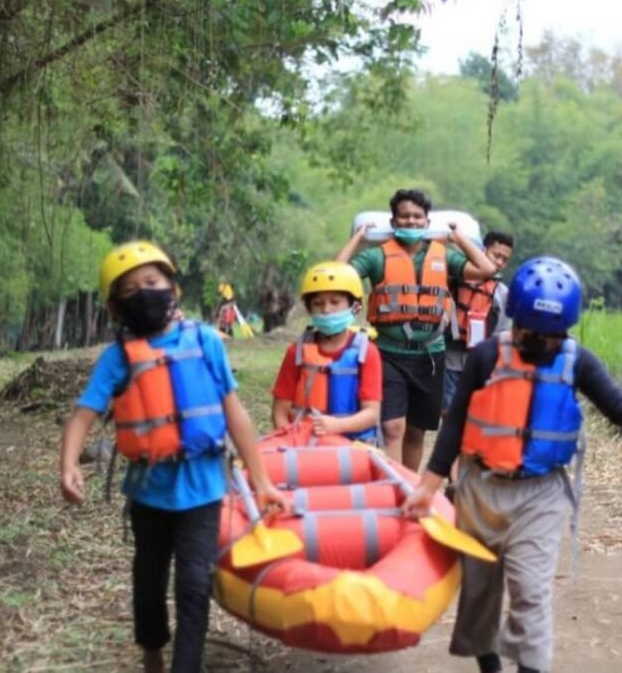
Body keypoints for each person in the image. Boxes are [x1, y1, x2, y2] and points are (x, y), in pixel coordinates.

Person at [401, 256, 622, 673]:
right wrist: (428, 486)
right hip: (480, 487)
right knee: (480, 589)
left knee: (531, 591)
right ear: (515, 320)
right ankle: (489, 665)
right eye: (531, 333)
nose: (541, 343)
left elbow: (618, 411)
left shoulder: (579, 361)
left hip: (540, 494)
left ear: (566, 329)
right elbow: (454, 429)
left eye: (551, 336)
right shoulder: (486, 357)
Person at [58, 241, 287, 673]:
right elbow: (82, 416)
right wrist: (68, 466)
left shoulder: (205, 342)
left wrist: (264, 481)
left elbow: (235, 415)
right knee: (148, 582)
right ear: (114, 309)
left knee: (194, 584)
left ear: (172, 289)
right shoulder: (118, 359)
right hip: (148, 494)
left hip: (203, 491)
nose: (144, 292)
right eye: (129, 290)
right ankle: (151, 651)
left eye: (152, 282)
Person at [335, 189, 496, 471]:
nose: (410, 221)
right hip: (388, 354)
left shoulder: (442, 255)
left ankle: (409, 485)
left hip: (431, 355)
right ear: (394, 221)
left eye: (417, 217)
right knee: (392, 425)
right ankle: (393, 484)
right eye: (404, 216)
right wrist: (356, 239)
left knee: (416, 430)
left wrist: (457, 239)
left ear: (426, 221)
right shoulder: (376, 256)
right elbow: (336, 273)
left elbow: (485, 269)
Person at [271, 261, 382, 440]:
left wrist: (337, 425)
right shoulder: (296, 353)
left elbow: (371, 413)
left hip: (352, 445)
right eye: (318, 303)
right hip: (306, 443)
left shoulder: (368, 353)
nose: (326, 310)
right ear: (309, 308)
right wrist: (292, 440)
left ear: (354, 306)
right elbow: (279, 413)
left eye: (335, 302)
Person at [443, 230, 515, 413]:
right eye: (496, 255)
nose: (499, 262)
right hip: (448, 356)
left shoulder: (502, 293)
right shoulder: (456, 277)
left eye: (504, 259)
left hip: (478, 361)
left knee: (473, 411)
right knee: (448, 410)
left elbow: (502, 332)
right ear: (483, 250)